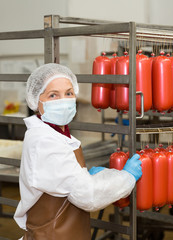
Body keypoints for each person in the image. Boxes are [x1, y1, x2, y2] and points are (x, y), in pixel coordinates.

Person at [14, 63, 142, 240]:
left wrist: (94, 178)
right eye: (53, 95)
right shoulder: (44, 141)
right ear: (37, 101)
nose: (63, 101)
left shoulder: (57, 134)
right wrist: (126, 177)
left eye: (68, 93)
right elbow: (88, 196)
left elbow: (69, 182)